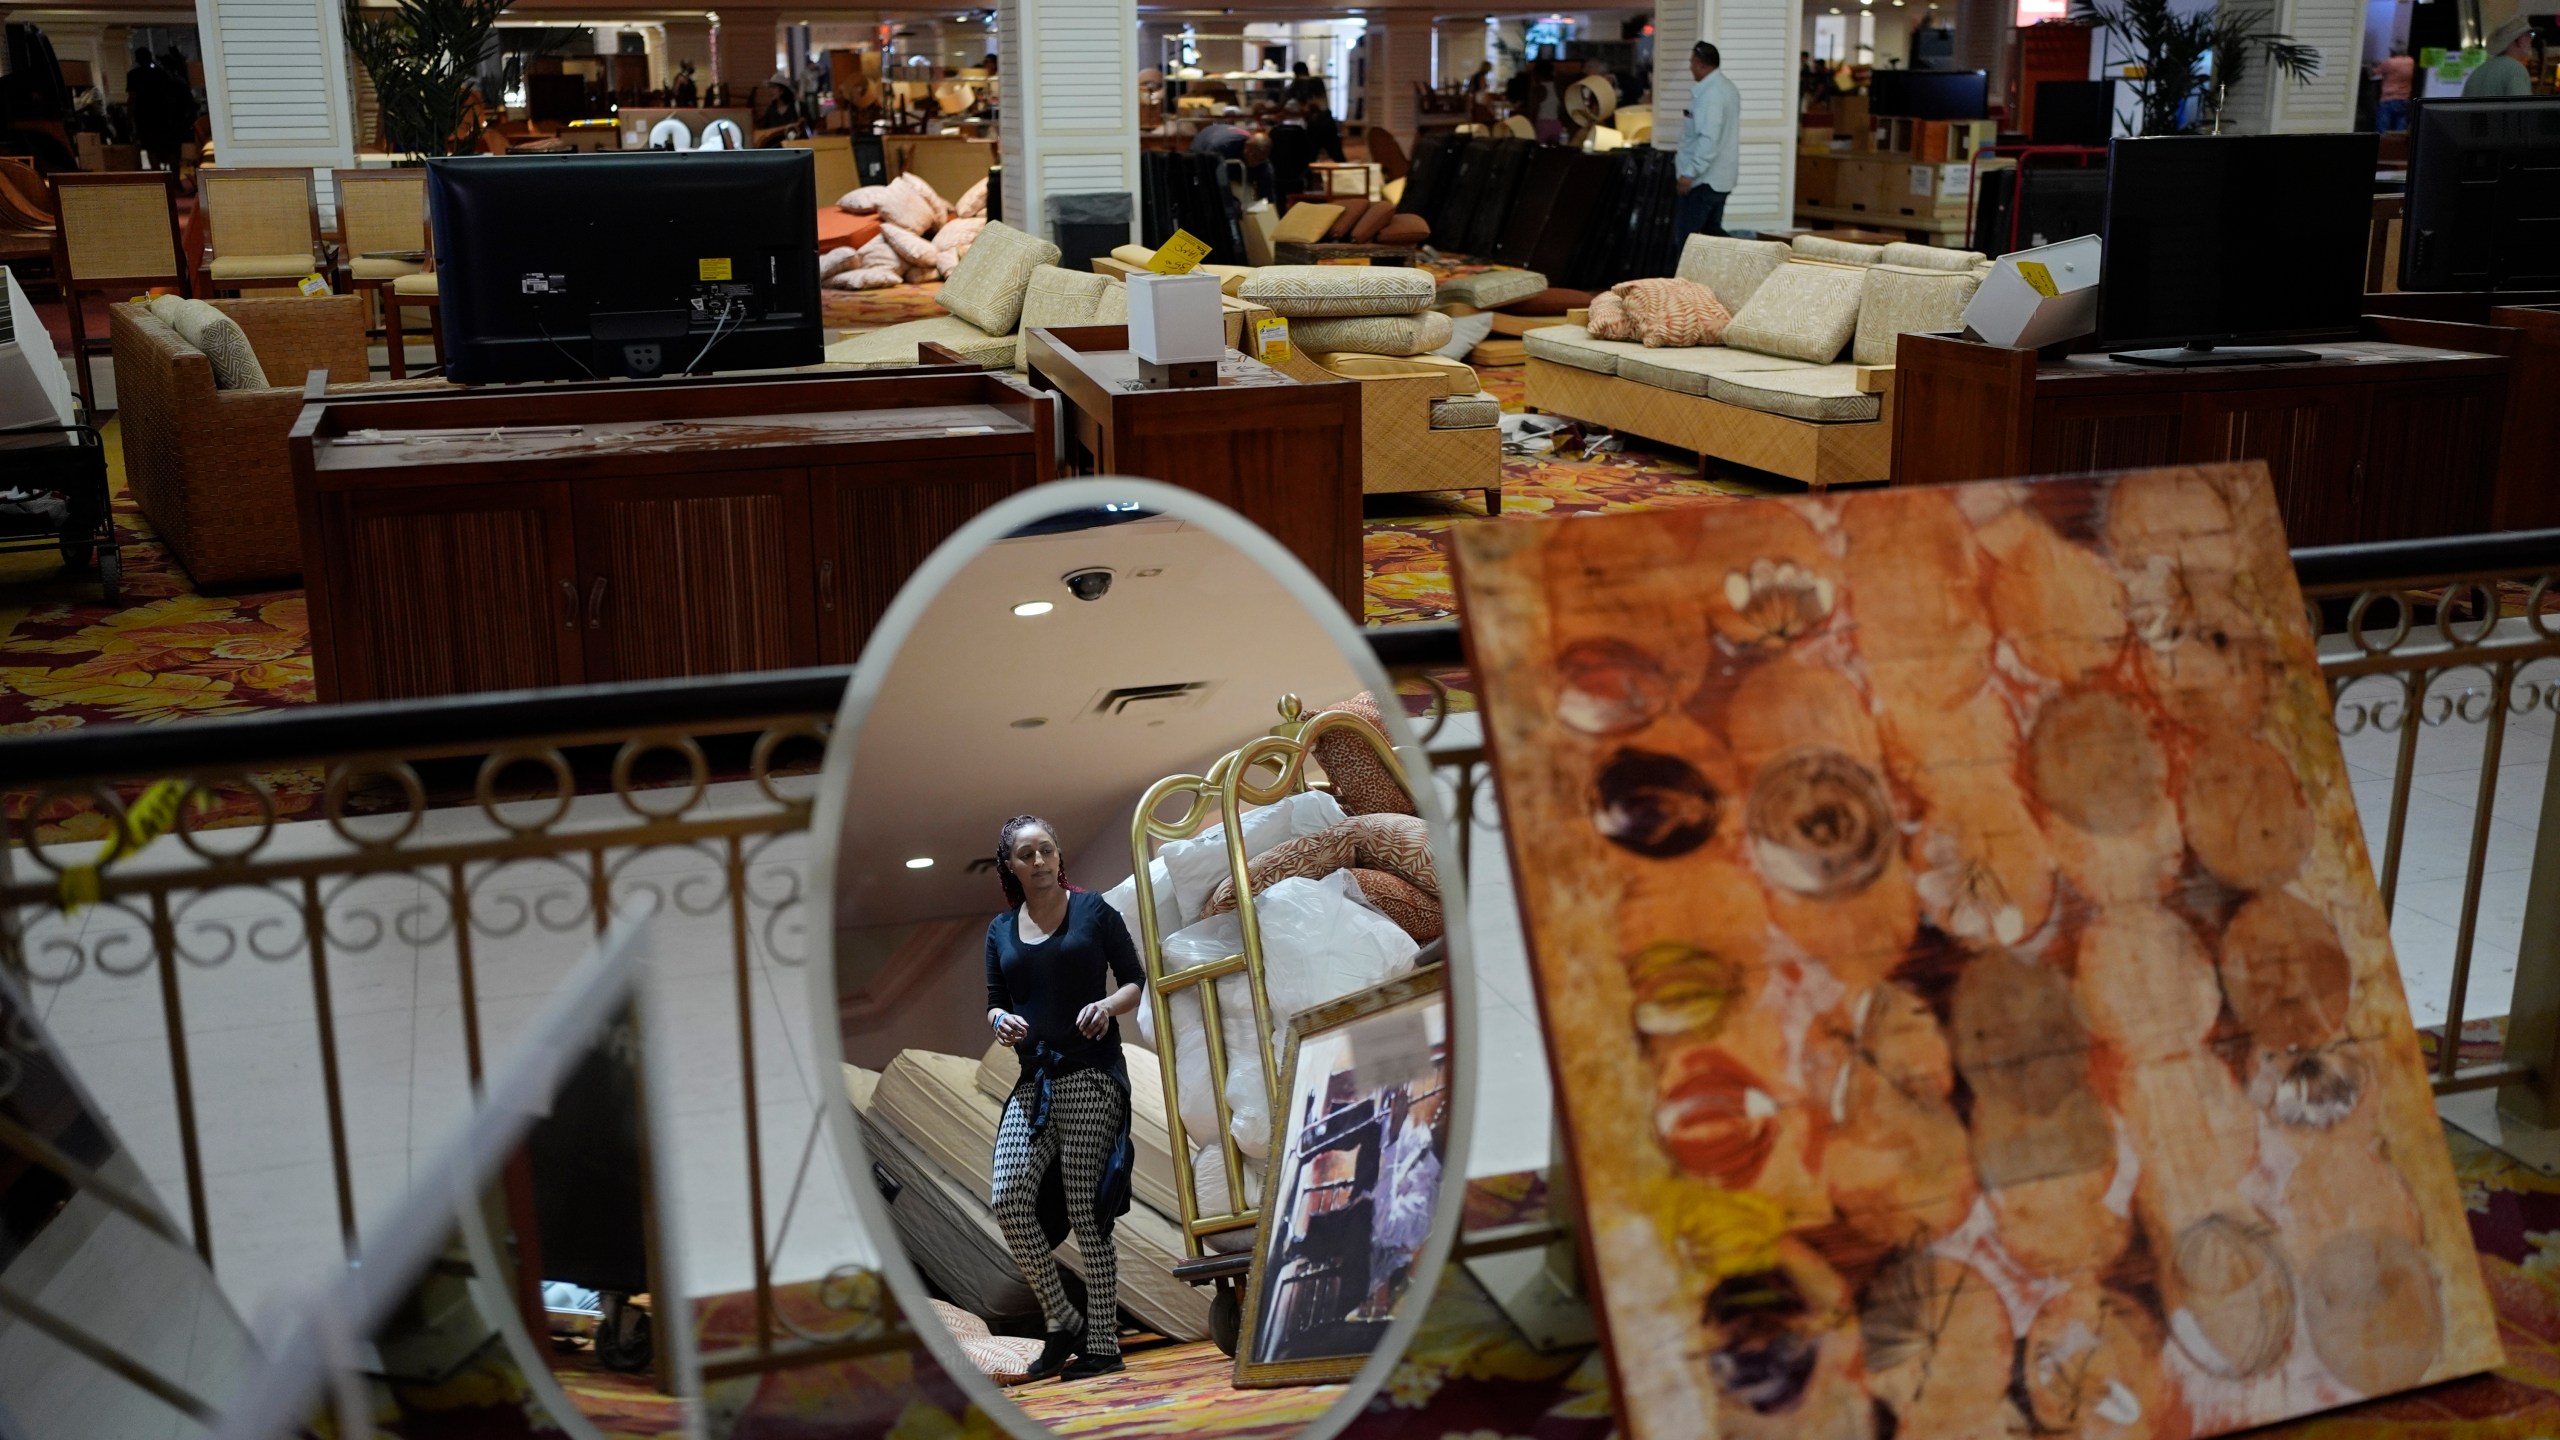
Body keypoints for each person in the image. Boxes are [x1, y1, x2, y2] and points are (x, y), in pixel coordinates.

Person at [983, 815, 1145, 1383]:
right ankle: (1063, 1321)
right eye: (1026, 855)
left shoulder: (1094, 911)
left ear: (1058, 855)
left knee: (1085, 1209)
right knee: (1008, 1196)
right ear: (1010, 866)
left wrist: (1108, 1007)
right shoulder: (1000, 929)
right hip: (1036, 1080)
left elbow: (1134, 979)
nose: (1040, 862)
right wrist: (1000, 1019)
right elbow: (995, 1000)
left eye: (1046, 850)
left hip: (1093, 1073)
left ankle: (1103, 1344)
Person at [1677, 41, 1741, 240]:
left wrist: (1689, 173)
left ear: (1701, 65)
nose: (1690, 67)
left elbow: (1708, 139)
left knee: (1688, 240)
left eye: (1692, 63)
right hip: (1720, 178)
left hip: (1704, 180)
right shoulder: (1726, 87)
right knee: (1712, 235)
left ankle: (1743, 258)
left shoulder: (1710, 94)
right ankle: (1739, 261)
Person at [2464, 13, 2539, 96]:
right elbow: (2521, 106)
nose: (2531, 40)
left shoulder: (2479, 71)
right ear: (2519, 40)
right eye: (2530, 35)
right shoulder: (2516, 70)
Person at [2375, 43, 2415, 130]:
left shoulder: (2390, 62)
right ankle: (2398, 143)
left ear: (2393, 51)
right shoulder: (2410, 61)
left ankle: (2382, 143)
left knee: (2382, 128)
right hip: (2404, 99)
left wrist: (2374, 66)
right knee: (2400, 127)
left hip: (2389, 98)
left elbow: (2376, 72)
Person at [1525, 57, 1565, 142]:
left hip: (1542, 124)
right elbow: (1561, 109)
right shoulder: (1558, 88)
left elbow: (1533, 110)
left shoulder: (1538, 90)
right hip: (1556, 124)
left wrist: (1530, 124)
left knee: (1539, 151)